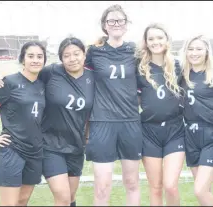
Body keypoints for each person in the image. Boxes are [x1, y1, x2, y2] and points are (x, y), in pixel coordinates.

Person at [0, 37, 94, 206]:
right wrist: (1, 76)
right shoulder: (52, 72)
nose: (72, 58)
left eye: (76, 54)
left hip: (76, 146)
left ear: (84, 55)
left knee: (71, 197)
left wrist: (88, 137)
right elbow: (26, 73)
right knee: (63, 196)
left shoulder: (93, 77)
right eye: (67, 55)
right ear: (61, 58)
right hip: (50, 145)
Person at [0, 41, 47, 206]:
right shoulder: (9, 83)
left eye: (40, 56)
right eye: (31, 56)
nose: (35, 60)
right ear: (22, 59)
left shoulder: (43, 84)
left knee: (22, 201)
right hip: (12, 150)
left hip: (35, 151)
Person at [84, 4, 143, 206]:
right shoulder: (94, 52)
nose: (116, 23)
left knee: (132, 182)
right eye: (111, 20)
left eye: (120, 20)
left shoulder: (136, 52)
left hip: (130, 122)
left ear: (126, 25)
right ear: (104, 26)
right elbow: (71, 69)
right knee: (102, 184)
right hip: (102, 122)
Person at [135, 23, 185, 206]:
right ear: (146, 42)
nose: (156, 42)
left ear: (167, 40)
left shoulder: (179, 66)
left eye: (159, 37)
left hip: (174, 130)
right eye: (151, 38)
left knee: (170, 185)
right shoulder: (140, 68)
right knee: (155, 187)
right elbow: (138, 99)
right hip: (149, 132)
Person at [179, 34, 213, 206]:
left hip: (212, 135)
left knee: (199, 190)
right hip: (190, 135)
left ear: (207, 51)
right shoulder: (182, 74)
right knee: (205, 190)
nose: (194, 53)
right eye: (190, 49)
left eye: (199, 49)